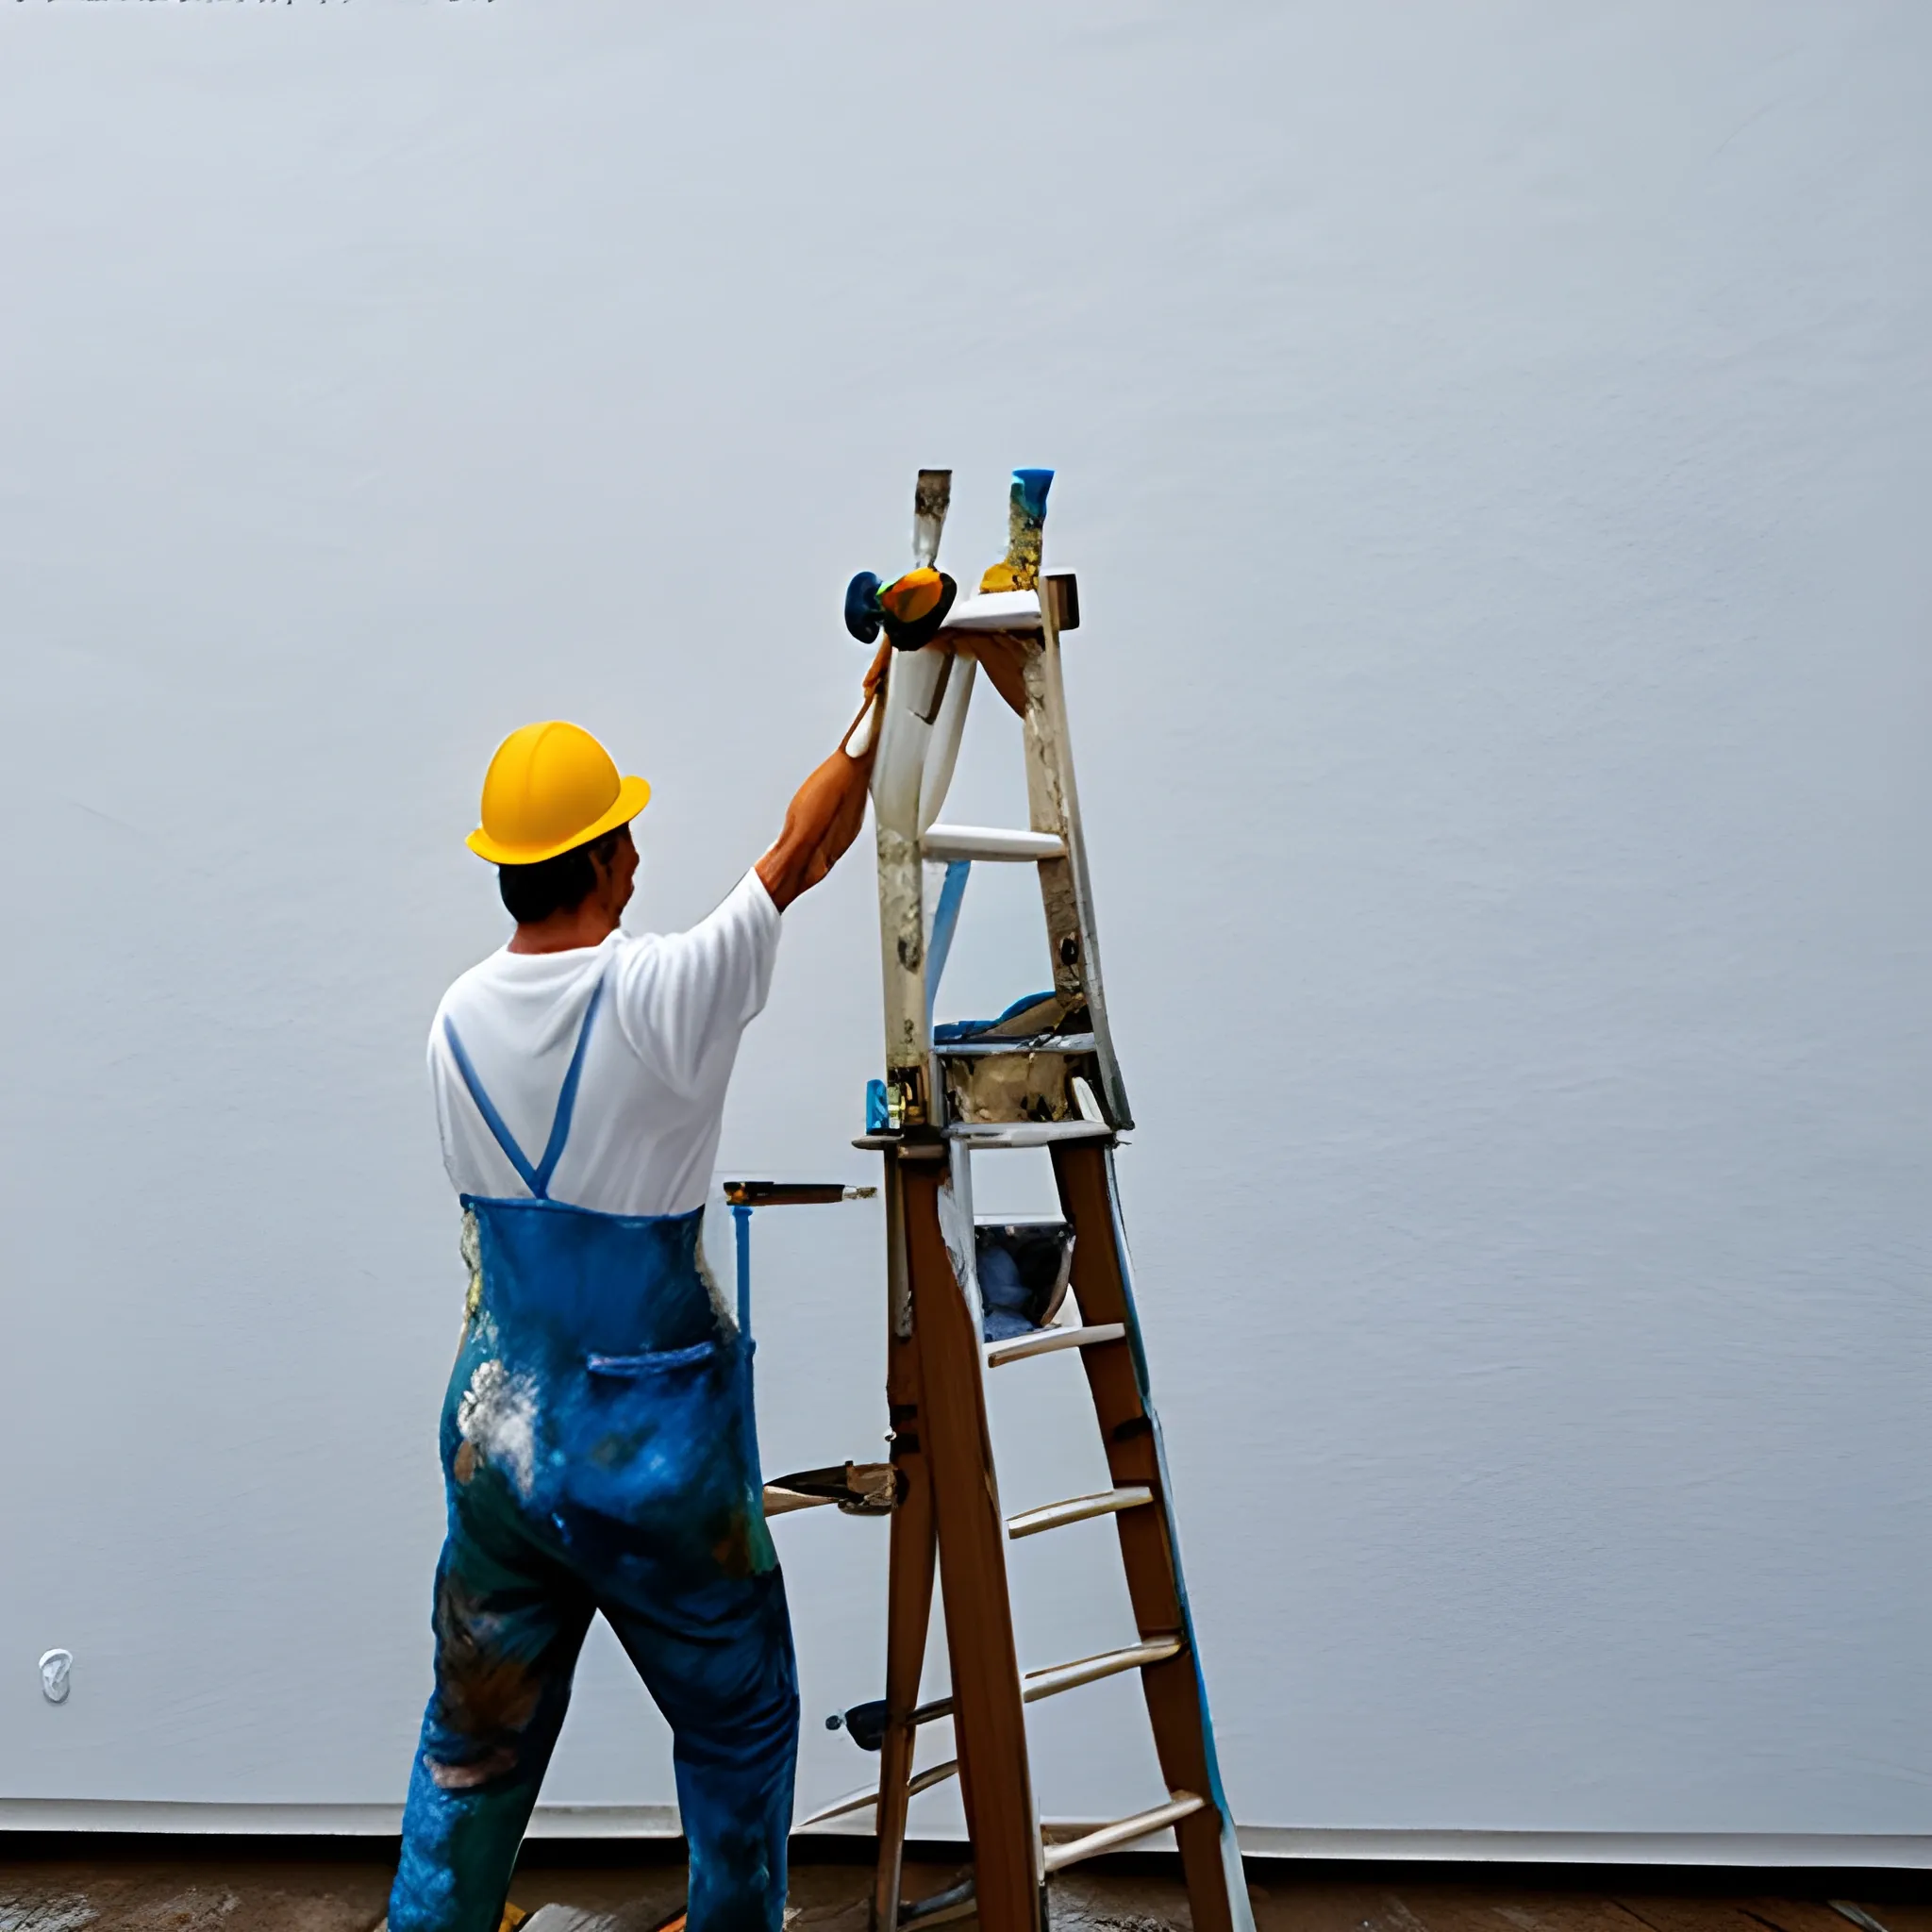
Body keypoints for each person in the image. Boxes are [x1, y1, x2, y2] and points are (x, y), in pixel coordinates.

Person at [388, 658, 883, 1932]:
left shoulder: (453, 1021)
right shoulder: (661, 990)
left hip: (498, 1437)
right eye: (629, 840)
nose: (640, 863)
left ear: (508, 865)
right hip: (649, 1450)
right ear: (603, 858)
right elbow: (806, 845)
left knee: (473, 1743)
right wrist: (882, 699)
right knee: (739, 1722)